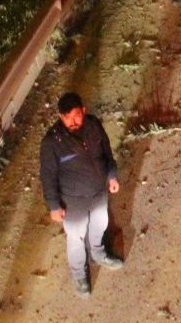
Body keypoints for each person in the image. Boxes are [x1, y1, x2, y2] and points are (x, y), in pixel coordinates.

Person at [39, 91, 123, 295]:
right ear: (60, 117)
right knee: (75, 238)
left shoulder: (94, 125)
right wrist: (54, 206)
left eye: (76, 115)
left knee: (99, 225)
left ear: (83, 111)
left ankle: (98, 253)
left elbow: (106, 152)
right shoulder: (52, 142)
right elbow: (48, 176)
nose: (72, 122)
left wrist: (111, 175)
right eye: (66, 118)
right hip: (73, 200)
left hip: (98, 192)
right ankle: (79, 276)